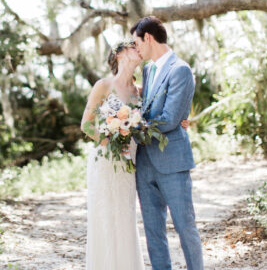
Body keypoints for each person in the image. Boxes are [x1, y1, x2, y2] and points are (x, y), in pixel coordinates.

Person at [80, 41, 188, 269]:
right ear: (118, 54)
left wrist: (180, 118)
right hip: (106, 161)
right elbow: (86, 126)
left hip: (130, 162)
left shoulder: (141, 91)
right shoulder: (104, 85)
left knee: (125, 218)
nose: (139, 50)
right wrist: (110, 137)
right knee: (105, 217)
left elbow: (162, 112)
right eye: (132, 47)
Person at [131, 16, 203, 270]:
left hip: (172, 160)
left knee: (185, 227)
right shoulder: (148, 70)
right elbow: (145, 108)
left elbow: (171, 118)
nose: (136, 49)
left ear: (148, 38)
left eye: (136, 43)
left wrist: (132, 128)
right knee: (153, 232)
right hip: (145, 162)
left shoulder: (180, 69)